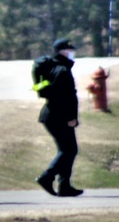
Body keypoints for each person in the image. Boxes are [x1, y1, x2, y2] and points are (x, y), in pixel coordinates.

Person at [36, 38, 84, 198]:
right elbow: (66, 97)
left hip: (53, 115)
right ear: (62, 51)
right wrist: (71, 117)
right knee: (69, 150)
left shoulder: (55, 67)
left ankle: (64, 186)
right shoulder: (62, 70)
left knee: (67, 150)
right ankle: (47, 177)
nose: (72, 53)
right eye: (69, 50)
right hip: (58, 116)